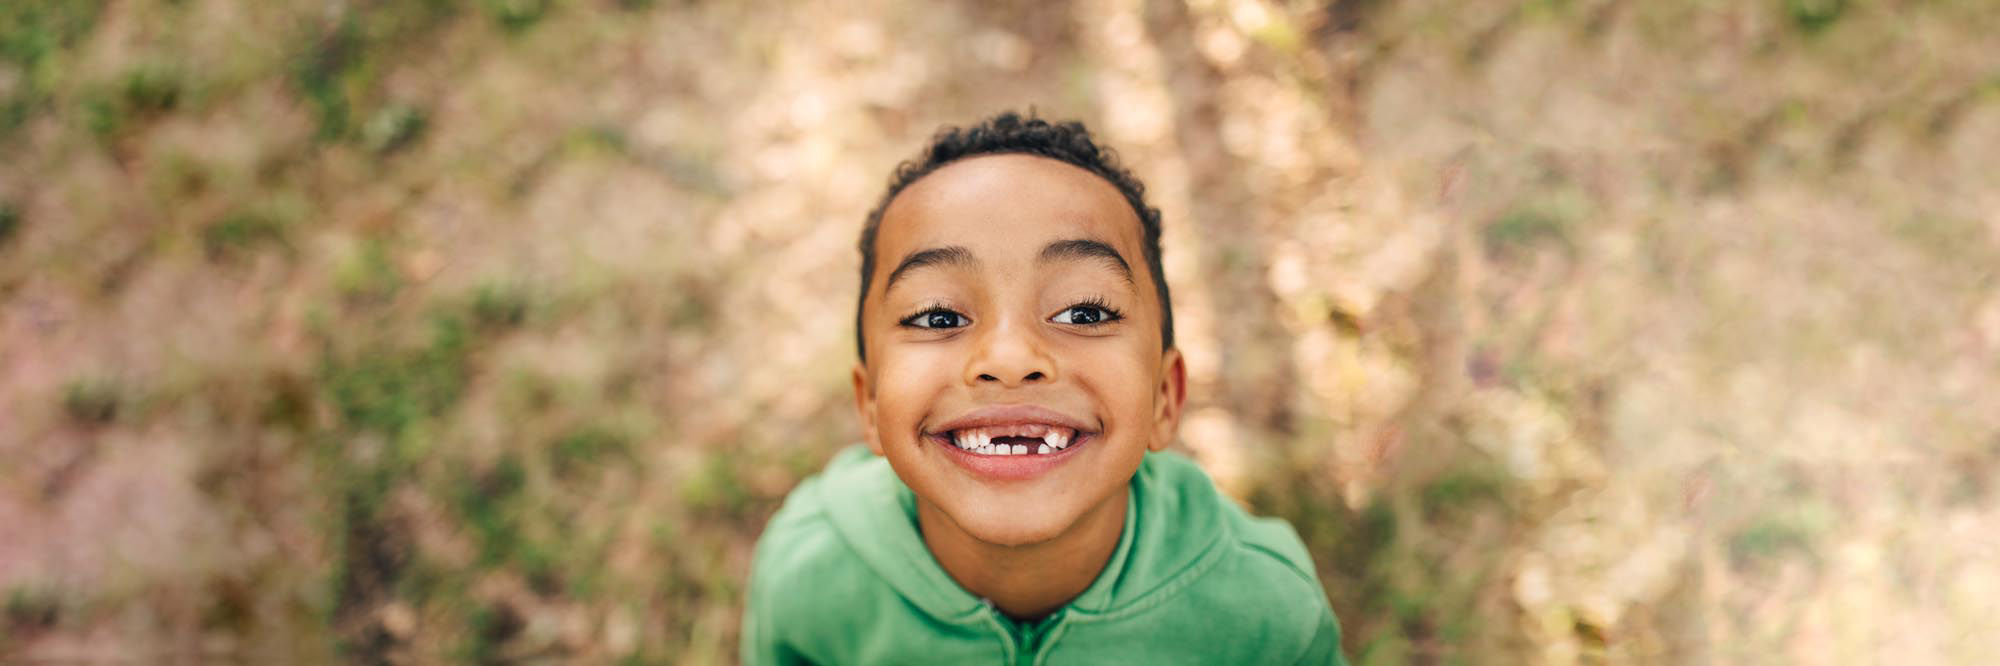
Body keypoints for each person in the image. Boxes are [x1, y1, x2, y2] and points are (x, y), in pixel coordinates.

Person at [740, 111, 1347, 664]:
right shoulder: (806, 577)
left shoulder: (1267, 614)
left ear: (1165, 398)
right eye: (938, 317)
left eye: (1083, 312)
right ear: (868, 405)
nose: (1009, 359)